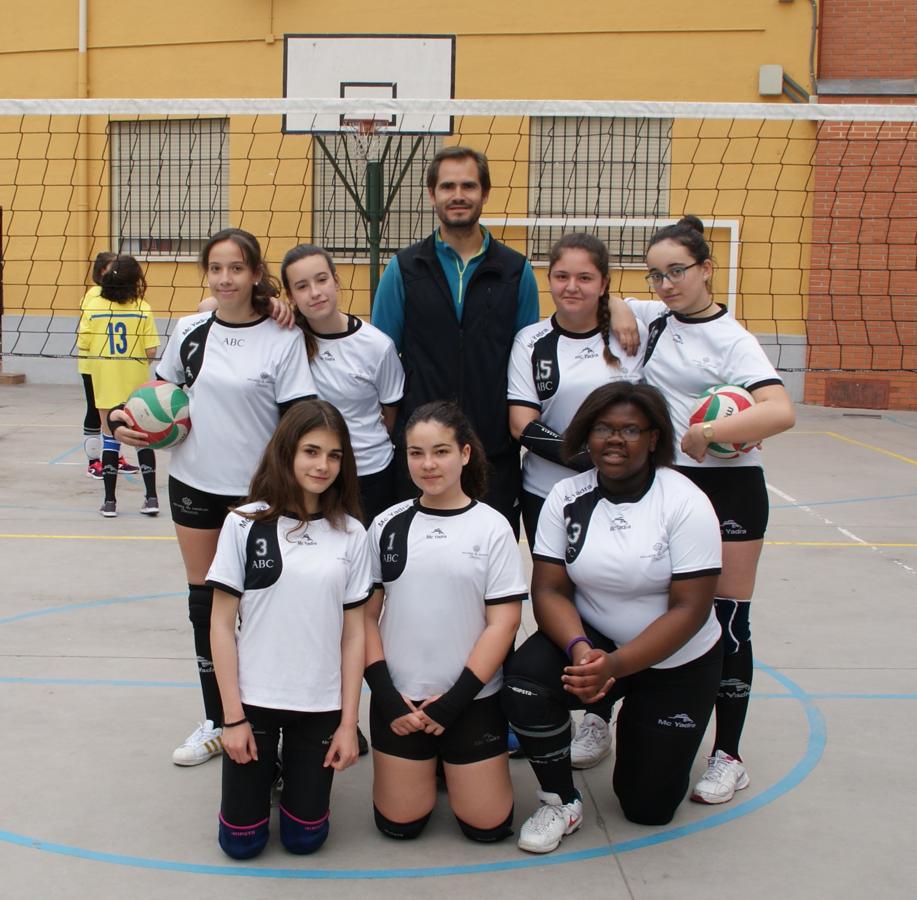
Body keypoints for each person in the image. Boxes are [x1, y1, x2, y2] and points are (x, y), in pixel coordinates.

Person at [110, 227, 317, 767]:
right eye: (216, 268)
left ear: (254, 274)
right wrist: (126, 423)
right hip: (194, 485)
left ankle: (270, 717)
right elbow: (158, 400)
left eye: (237, 268)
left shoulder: (282, 334)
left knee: (263, 606)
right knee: (205, 603)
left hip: (258, 495)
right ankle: (215, 717)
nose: (225, 279)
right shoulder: (189, 329)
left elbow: (297, 422)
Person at [611, 215, 795, 803]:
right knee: (658, 609)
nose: (666, 284)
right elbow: (611, 296)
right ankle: (611, 717)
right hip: (668, 491)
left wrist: (712, 432)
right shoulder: (655, 317)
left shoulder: (733, 338)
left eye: (677, 272)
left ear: (707, 269)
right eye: (656, 275)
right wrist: (621, 306)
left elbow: (780, 411)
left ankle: (728, 754)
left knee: (728, 620)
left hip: (731, 488)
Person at [502, 382, 724, 853]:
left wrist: (616, 667)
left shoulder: (684, 501)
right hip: (598, 640)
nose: (615, 439)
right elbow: (549, 588)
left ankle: (643, 725)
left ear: (654, 438)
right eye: (603, 427)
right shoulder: (567, 495)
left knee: (648, 809)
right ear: (587, 434)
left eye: (630, 429)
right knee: (524, 681)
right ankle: (561, 799)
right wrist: (581, 651)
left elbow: (691, 608)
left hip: (675, 662)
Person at [207, 400, 371, 859]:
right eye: (311, 451)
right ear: (287, 453)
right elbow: (220, 624)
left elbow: (354, 633)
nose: (322, 465)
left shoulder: (352, 535)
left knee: (305, 841)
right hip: (253, 703)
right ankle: (266, 769)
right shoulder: (245, 523)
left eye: (334, 455)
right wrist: (232, 719)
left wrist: (347, 724)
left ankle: (288, 776)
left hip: (318, 704)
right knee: (241, 845)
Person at [364, 401, 525, 843]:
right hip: (399, 702)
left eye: (440, 451)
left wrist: (456, 700)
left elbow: (505, 622)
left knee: (487, 828)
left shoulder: (492, 527)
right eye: (416, 453)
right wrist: (387, 697)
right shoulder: (386, 525)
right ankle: (426, 765)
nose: (428, 464)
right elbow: (364, 619)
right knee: (400, 825)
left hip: (470, 701)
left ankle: (447, 763)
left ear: (465, 454)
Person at [371, 146, 541, 537]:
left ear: (485, 193)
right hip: (422, 453)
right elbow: (380, 359)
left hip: (493, 451)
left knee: (488, 567)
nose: (458, 194)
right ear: (432, 194)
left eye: (468, 185)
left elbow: (527, 355)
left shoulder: (516, 270)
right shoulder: (404, 267)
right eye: (447, 186)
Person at [281, 243, 404, 526]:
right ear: (291, 296)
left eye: (322, 280)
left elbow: (390, 417)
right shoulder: (284, 338)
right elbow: (216, 308)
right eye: (302, 286)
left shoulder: (376, 346)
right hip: (309, 475)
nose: (315, 292)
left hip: (368, 474)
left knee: (370, 565)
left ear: (336, 281)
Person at [77, 254, 159, 517]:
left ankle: (110, 502)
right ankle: (151, 498)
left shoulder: (94, 307)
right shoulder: (142, 308)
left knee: (110, 438)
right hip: (136, 385)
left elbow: (84, 344)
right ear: (136, 281)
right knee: (143, 439)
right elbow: (151, 350)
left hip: (106, 383)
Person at [77, 251, 139, 480]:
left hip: (114, 364)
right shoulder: (95, 295)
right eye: (115, 267)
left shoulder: (120, 297)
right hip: (93, 365)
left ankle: (114, 458)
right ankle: (94, 462)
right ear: (103, 270)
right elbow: (87, 334)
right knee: (96, 412)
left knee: (115, 413)